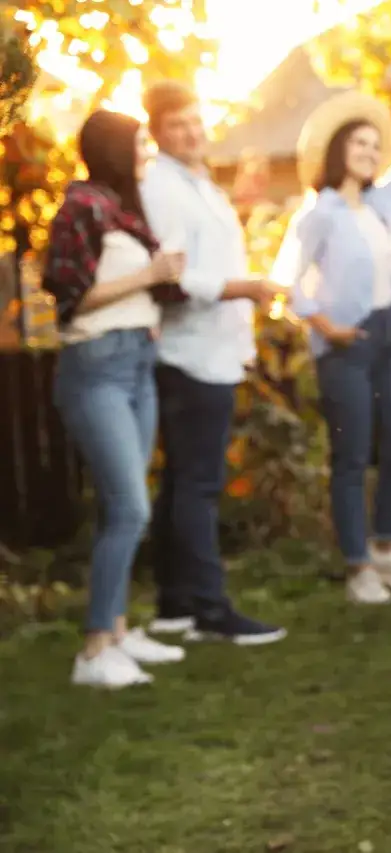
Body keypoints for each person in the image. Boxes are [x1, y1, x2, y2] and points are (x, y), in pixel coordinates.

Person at [270, 51, 391, 604]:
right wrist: (327, 325)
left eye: (375, 145)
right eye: (359, 144)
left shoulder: (383, 202)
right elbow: (288, 282)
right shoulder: (319, 212)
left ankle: (387, 546)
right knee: (351, 455)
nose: (369, 153)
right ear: (338, 151)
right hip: (344, 347)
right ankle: (357, 566)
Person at [139, 81, 289, 644]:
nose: (192, 132)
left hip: (216, 351)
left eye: (196, 120)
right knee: (196, 486)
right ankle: (208, 610)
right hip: (190, 354)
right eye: (178, 124)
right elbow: (175, 274)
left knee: (182, 481)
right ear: (157, 132)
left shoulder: (198, 182)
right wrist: (242, 286)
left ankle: (174, 606)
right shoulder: (160, 185)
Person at [43, 109, 188, 687]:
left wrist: (151, 305)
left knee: (119, 507)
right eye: (141, 141)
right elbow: (71, 298)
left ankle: (120, 632)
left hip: (135, 365)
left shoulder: (121, 212)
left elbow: (139, 289)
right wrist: (149, 276)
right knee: (131, 508)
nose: (148, 151)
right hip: (96, 369)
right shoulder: (81, 207)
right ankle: (93, 649)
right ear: (111, 148)